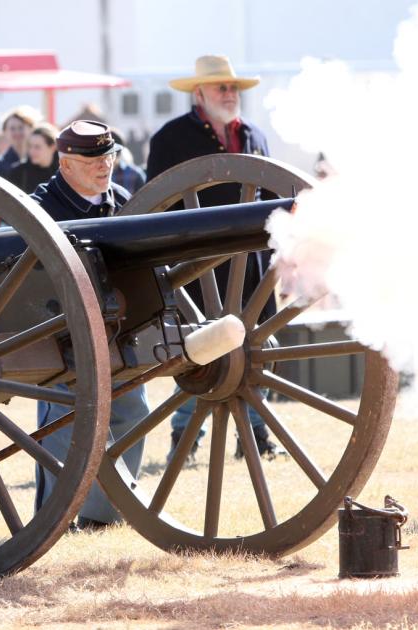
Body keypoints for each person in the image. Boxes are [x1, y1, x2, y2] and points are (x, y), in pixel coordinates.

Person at [147, 55, 284, 463]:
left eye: (234, 88)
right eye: (222, 87)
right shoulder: (171, 139)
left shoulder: (255, 136)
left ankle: (256, 438)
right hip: (200, 265)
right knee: (198, 353)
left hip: (251, 266)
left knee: (254, 351)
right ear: (199, 93)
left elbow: (275, 200)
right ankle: (185, 439)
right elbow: (157, 205)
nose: (230, 94)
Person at [31, 120, 151, 531]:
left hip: (116, 331)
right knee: (65, 424)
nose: (106, 166)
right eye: (95, 159)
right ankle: (52, 521)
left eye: (110, 156)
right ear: (66, 164)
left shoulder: (120, 199)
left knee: (133, 412)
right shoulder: (40, 208)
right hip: (59, 331)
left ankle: (100, 517)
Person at [6, 122, 59, 194]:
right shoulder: (18, 172)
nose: (31, 151)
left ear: (53, 147)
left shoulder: (63, 173)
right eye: (30, 146)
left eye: (37, 147)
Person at [0, 105, 40, 178]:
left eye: (21, 127)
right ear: (5, 132)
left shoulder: (39, 158)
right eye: (12, 128)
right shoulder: (0, 164)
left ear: (31, 129)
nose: (17, 132)